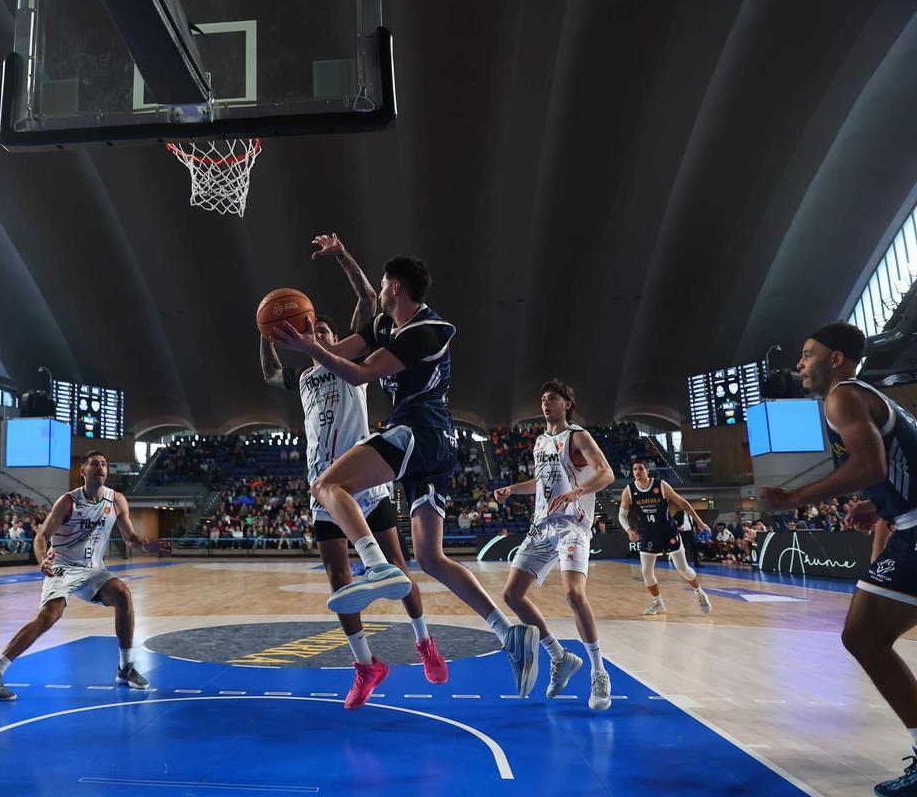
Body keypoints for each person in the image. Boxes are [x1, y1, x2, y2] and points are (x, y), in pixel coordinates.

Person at [271, 236, 539, 695]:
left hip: (420, 431)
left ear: (395, 286)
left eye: (381, 283)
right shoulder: (388, 325)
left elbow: (356, 372)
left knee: (327, 485)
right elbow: (351, 345)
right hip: (429, 450)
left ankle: (375, 565)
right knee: (431, 558)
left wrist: (314, 349)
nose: (376, 289)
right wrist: (309, 339)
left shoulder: (426, 329)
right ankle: (507, 633)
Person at [262, 233, 447, 708]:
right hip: (321, 487)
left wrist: (343, 256)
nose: (321, 338)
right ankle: (366, 664)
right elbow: (269, 375)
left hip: (364, 484)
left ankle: (424, 641)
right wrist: (267, 336)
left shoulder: (351, 358)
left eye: (325, 332)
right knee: (337, 580)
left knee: (399, 569)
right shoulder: (305, 376)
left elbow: (367, 300)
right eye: (315, 333)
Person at [760, 322, 917, 796]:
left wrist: (794, 499)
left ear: (835, 359)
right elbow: (891, 467)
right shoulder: (868, 397)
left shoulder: (842, 396)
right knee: (864, 636)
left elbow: (870, 466)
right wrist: (880, 503)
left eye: (807, 354)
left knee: (864, 636)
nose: (799, 364)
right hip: (908, 525)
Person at [0, 451, 152, 700]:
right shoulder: (68, 502)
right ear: (83, 472)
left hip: (94, 570)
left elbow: (130, 539)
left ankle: (125, 667)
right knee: (49, 616)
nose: (100, 467)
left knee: (123, 594)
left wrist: (147, 546)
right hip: (64, 567)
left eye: (104, 464)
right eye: (94, 464)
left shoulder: (117, 500)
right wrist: (41, 560)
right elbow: (41, 536)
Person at [494, 381, 616, 710]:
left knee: (574, 594)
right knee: (511, 594)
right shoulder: (540, 442)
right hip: (542, 526)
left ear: (567, 403)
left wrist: (577, 493)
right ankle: (559, 657)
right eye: (543, 399)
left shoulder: (578, 436)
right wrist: (510, 489)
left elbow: (606, 474)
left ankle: (599, 672)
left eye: (553, 398)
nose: (546, 403)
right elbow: (540, 483)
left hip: (572, 526)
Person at [618, 458, 712, 616]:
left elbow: (683, 503)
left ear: (647, 471)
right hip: (648, 534)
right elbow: (622, 515)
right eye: (634, 469)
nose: (637, 471)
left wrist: (700, 522)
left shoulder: (660, 485)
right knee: (646, 572)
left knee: (683, 569)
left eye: (640, 468)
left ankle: (699, 592)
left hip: (668, 531)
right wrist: (629, 530)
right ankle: (658, 602)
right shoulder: (629, 490)